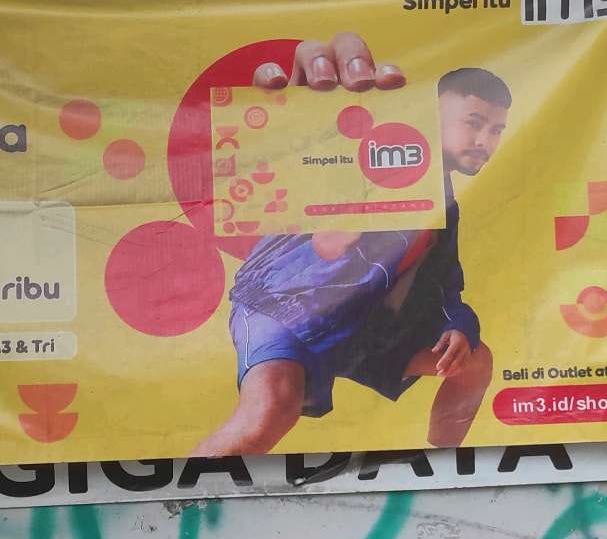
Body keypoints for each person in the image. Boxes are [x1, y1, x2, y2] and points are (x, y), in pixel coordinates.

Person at [193, 31, 508, 458]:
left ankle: (442, 466)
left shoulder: (443, 203)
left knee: (474, 361)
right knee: (268, 412)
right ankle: (189, 492)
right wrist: (314, 121)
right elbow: (300, 225)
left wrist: (458, 325)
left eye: (497, 130)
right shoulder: (357, 152)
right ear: (429, 115)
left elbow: (445, 282)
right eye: (472, 123)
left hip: (361, 328)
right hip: (285, 307)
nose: (484, 141)